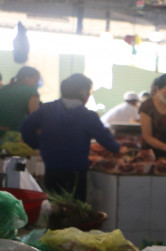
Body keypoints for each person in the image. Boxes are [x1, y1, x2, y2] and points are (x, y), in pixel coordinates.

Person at [19, 73, 121, 201]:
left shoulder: (46, 109)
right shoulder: (88, 116)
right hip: (76, 171)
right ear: (84, 93)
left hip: (52, 168)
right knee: (76, 209)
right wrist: (119, 148)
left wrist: (38, 144)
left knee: (54, 207)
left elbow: (25, 127)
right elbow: (105, 139)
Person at [0, 66, 41, 133]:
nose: (37, 83)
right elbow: (35, 119)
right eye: (36, 79)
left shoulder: (4, 88)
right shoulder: (31, 92)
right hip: (9, 135)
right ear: (26, 78)